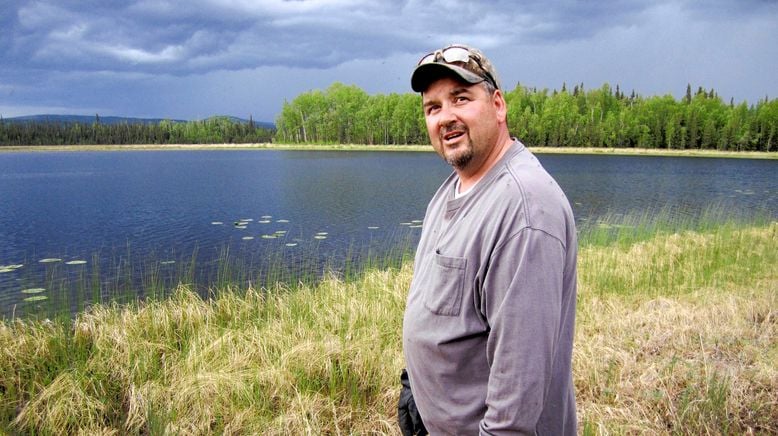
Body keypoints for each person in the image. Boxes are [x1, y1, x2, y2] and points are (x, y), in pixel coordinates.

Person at [400, 44, 578, 435]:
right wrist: (416, 388)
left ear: (498, 105)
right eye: (433, 107)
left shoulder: (525, 210)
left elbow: (517, 398)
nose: (446, 117)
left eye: (461, 98)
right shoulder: (455, 186)